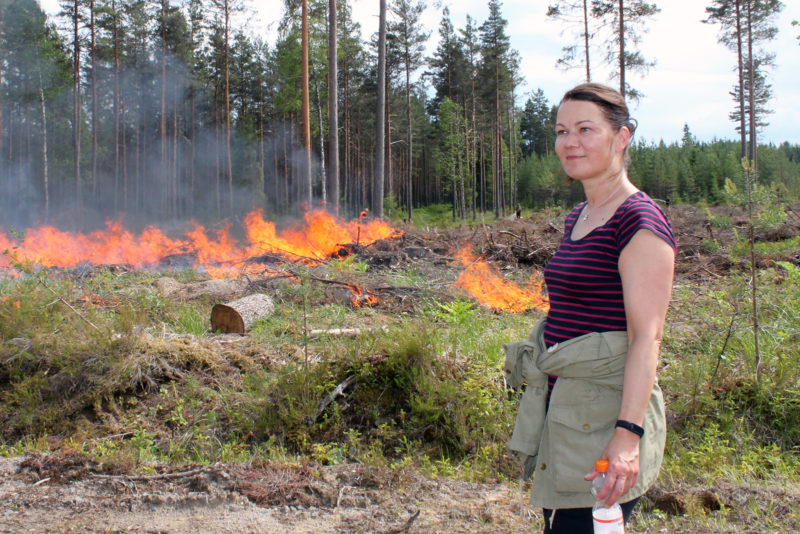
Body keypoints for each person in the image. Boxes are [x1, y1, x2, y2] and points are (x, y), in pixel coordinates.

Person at [503, 82, 675, 533]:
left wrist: (626, 438)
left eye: (585, 129)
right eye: (561, 131)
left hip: (604, 419)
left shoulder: (640, 221)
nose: (569, 142)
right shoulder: (578, 216)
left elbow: (646, 339)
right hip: (565, 415)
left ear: (621, 138)